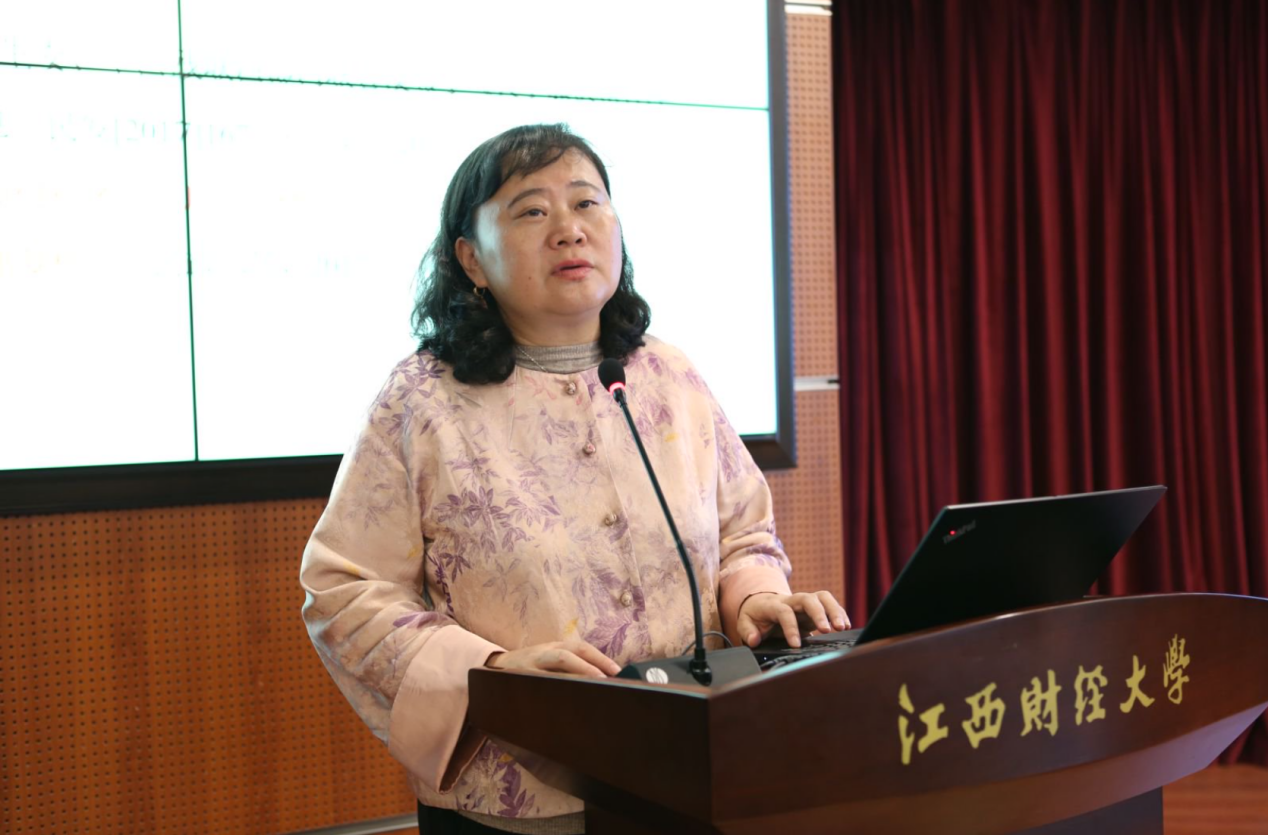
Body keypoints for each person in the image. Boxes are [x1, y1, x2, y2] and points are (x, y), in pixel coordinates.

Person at [300, 123, 849, 835]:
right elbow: (343, 588)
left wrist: (756, 597)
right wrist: (494, 671)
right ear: (471, 258)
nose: (569, 229)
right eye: (532, 210)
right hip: (521, 800)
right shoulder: (421, 402)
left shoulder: (668, 375)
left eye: (587, 202)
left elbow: (744, 533)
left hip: (691, 774)